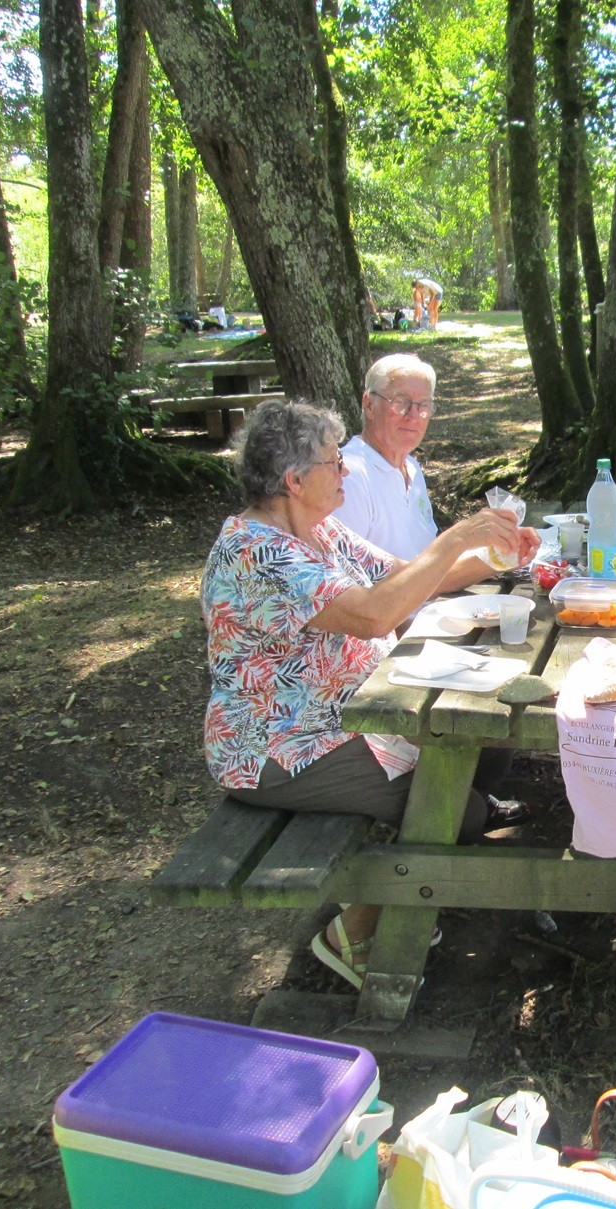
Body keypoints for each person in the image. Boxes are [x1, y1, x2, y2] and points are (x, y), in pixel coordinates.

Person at [200, 398, 530, 987]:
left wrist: (494, 556)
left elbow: (402, 579)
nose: (346, 469)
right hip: (282, 747)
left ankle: (412, 886)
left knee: (488, 748)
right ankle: (351, 936)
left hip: (349, 715)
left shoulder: (317, 530)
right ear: (294, 480)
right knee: (457, 806)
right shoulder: (258, 553)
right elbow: (377, 615)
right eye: (334, 461)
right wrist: (456, 537)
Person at [333, 353, 541, 574]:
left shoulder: (411, 468)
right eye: (400, 402)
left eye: (423, 405)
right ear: (369, 404)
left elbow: (427, 575)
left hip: (427, 607)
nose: (413, 416)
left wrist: (505, 554)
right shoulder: (349, 475)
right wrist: (462, 536)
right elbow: (361, 589)